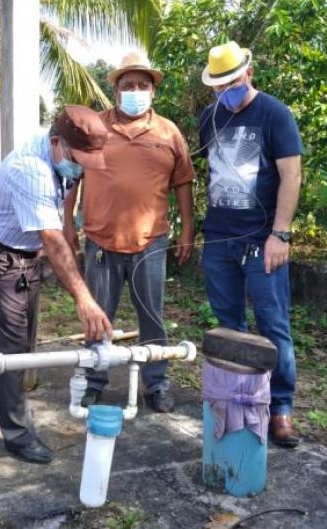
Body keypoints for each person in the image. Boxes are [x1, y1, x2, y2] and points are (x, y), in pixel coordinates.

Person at [0, 105, 113, 464]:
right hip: (2, 259)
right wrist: (84, 298)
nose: (81, 170)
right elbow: (53, 242)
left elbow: (64, 198)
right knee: (13, 349)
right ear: (56, 142)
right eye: (79, 161)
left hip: (28, 256)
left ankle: (0, 391)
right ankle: (17, 434)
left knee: (24, 340)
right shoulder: (31, 170)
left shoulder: (59, 155)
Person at [64, 52, 195, 413]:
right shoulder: (95, 128)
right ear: (116, 91)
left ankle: (157, 384)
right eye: (127, 86)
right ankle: (93, 380)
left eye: (142, 85)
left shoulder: (169, 132)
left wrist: (187, 229)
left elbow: (183, 184)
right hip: (100, 241)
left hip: (150, 242)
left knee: (152, 316)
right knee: (97, 316)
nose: (134, 91)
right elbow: (73, 177)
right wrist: (66, 222)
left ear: (153, 91)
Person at [198, 41, 303, 447]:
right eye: (220, 87)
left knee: (273, 325)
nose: (228, 92)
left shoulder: (275, 114)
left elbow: (291, 176)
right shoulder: (210, 116)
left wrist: (280, 234)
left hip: (262, 241)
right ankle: (239, 403)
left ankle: (281, 409)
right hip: (220, 239)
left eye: (234, 82)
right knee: (229, 327)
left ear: (249, 73)